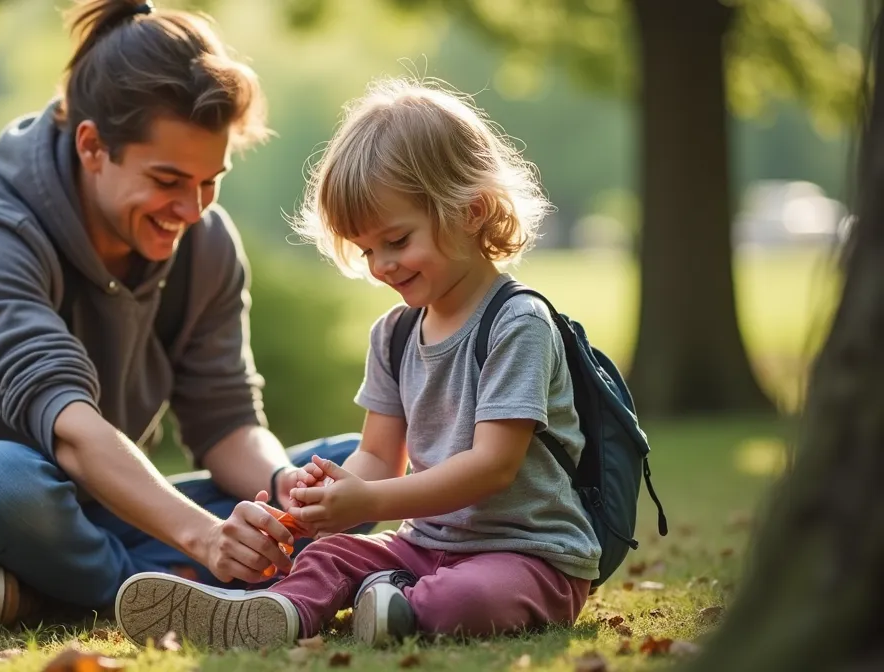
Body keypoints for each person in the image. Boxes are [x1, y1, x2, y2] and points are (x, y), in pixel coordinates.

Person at [0, 0, 369, 629]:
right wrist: (204, 537)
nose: (191, 207)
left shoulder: (204, 244)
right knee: (4, 480)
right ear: (93, 146)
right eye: (168, 179)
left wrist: (281, 489)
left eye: (209, 181)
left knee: (353, 469)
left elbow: (226, 419)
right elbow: (71, 433)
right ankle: (183, 591)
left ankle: (47, 594)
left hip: (83, 513)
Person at [112, 76, 602, 649]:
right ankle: (279, 614)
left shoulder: (516, 323)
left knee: (462, 599)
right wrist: (331, 499)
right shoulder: (395, 335)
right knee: (329, 555)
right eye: (367, 249)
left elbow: (492, 466)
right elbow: (376, 454)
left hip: (529, 553)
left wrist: (372, 501)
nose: (381, 265)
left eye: (396, 240)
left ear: (473, 211)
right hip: (424, 546)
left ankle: (397, 601)